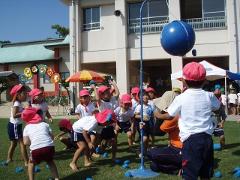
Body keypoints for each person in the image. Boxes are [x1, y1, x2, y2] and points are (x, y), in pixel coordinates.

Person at [156, 62, 220, 180]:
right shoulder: (209, 96)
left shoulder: (181, 98)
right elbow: (217, 106)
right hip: (207, 139)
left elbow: (169, 115)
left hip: (191, 141)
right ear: (204, 80)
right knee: (205, 173)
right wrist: (217, 96)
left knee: (190, 174)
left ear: (184, 80)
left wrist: (158, 115)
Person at [22, 107, 59, 180]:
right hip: (50, 147)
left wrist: (34, 143)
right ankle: (56, 178)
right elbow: (52, 137)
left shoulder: (27, 127)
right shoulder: (45, 124)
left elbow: (25, 142)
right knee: (50, 161)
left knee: (31, 164)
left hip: (36, 149)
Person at [6, 84, 29, 166]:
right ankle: (26, 162)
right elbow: (15, 115)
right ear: (18, 95)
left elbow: (20, 112)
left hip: (15, 125)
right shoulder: (17, 103)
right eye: (24, 94)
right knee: (22, 143)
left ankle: (9, 158)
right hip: (14, 126)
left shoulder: (18, 103)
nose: (26, 95)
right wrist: (24, 111)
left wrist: (24, 110)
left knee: (14, 144)